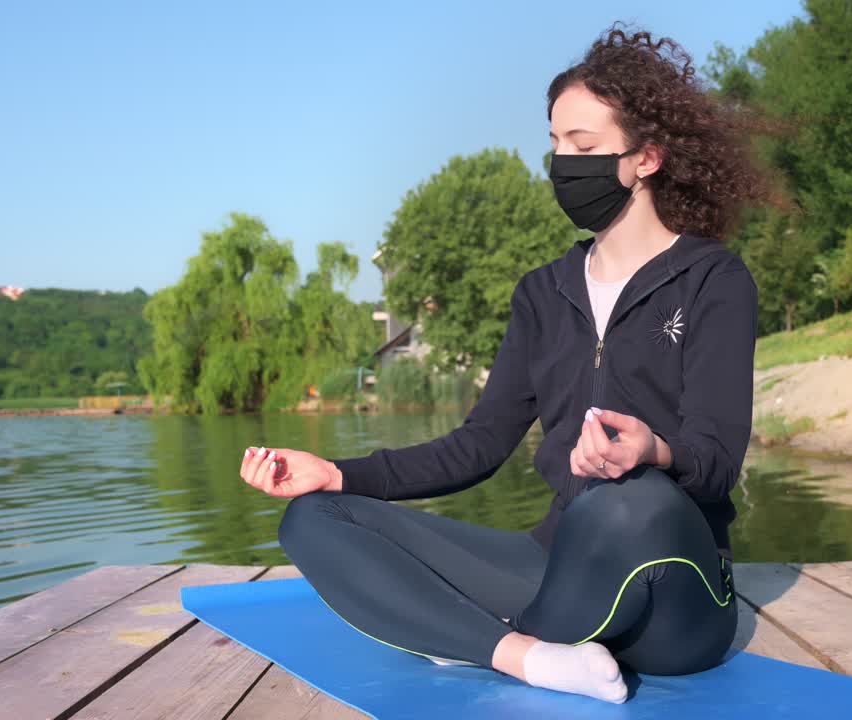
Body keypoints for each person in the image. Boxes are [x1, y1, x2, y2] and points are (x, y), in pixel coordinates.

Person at [239, 24, 778, 705]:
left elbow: (719, 458)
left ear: (647, 156)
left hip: (674, 588)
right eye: (555, 144)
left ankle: (466, 633)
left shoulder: (712, 280)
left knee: (625, 503)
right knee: (315, 519)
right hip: (555, 565)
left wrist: (654, 450)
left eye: (582, 146)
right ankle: (522, 654)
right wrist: (339, 473)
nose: (562, 162)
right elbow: (479, 445)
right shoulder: (542, 293)